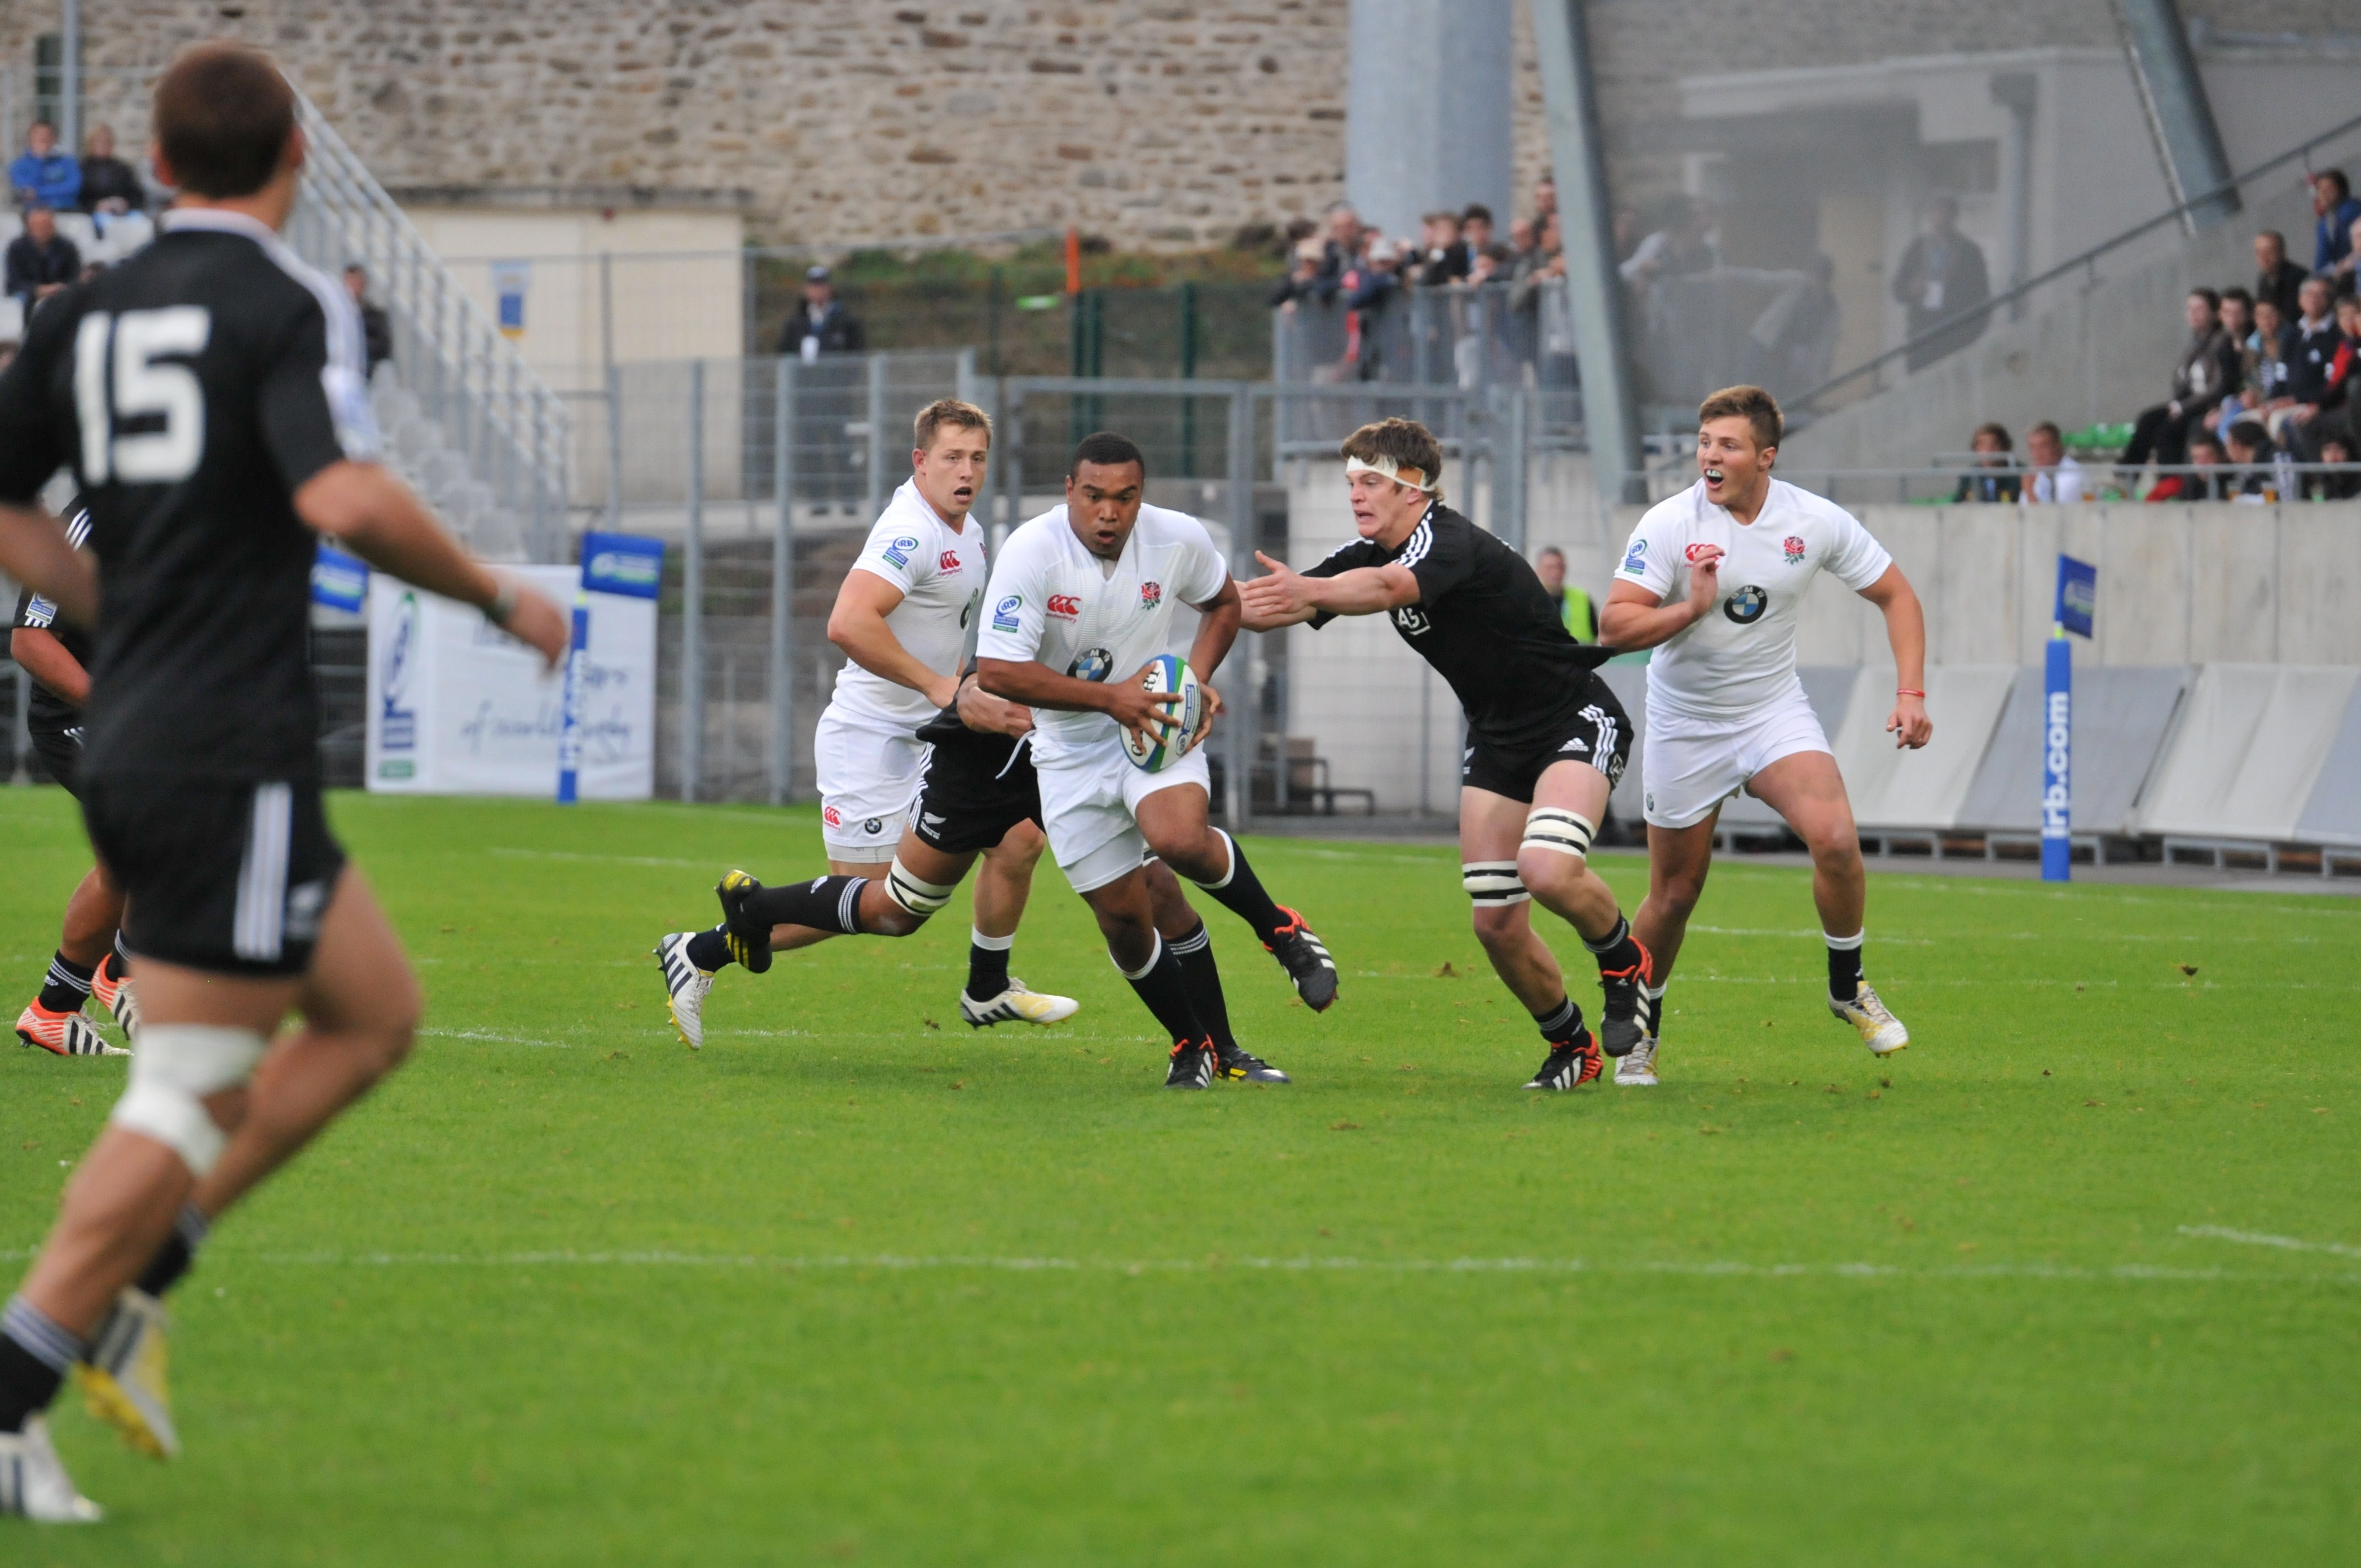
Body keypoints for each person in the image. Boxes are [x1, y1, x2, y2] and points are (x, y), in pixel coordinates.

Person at [0, 42, 570, 1522]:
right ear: (295, 162)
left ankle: (135, 1286)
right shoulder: (288, 299)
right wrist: (498, 596)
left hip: (156, 728)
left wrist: (120, 617)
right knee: (189, 1084)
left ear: (160, 163)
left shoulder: (84, 309)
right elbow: (344, 496)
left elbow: (6, 511)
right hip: (222, 738)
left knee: (373, 1014)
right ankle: (20, 1386)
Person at [1240, 418, 1651, 1092]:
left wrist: (1309, 591)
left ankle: (1621, 959)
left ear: (1414, 488)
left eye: (1370, 481)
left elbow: (1384, 591)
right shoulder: (1367, 550)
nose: (1356, 494)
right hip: (1496, 740)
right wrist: (1192, 595)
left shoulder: (1447, 540)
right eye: (1351, 482)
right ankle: (1570, 1045)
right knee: (1493, 921)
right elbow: (1273, 604)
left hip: (1572, 718)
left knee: (1546, 869)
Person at [654, 400, 1082, 1043]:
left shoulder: (967, 530)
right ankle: (699, 951)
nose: (966, 471)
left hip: (935, 734)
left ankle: (988, 987)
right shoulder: (910, 533)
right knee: (872, 907)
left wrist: (971, 689)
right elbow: (847, 622)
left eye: (976, 458)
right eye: (951, 458)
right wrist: (945, 686)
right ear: (920, 462)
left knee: (1019, 838)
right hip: (872, 740)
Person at [969, 432, 1337, 1088]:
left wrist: (1188, 686)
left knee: (1179, 840)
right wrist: (1110, 700)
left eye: (1125, 497)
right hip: (1067, 754)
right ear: (1069, 493)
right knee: (1125, 920)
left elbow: (1223, 603)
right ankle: (1196, 1045)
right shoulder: (1032, 551)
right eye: (1094, 497)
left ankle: (1280, 929)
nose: (1108, 512)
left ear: (1143, 496)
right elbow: (997, 671)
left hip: (1151, 727)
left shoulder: (1177, 537)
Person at [1600, 385, 1931, 1087]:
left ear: (1765, 457)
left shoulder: (1812, 521)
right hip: (1686, 722)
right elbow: (1615, 626)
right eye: (1704, 443)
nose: (1709, 458)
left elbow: (1896, 594)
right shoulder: (1668, 522)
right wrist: (1689, 607)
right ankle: (1641, 1031)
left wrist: (1910, 693)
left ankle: (1848, 988)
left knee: (1837, 840)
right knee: (1676, 893)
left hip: (1771, 711)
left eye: (1727, 446)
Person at [12, 495, 138, 1058]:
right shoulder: (89, 519)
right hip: (78, 715)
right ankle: (120, 975)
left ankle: (57, 1010)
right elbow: (30, 640)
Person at [2120, 288, 2239, 475]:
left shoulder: (2221, 341)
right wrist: (2177, 403)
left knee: (2166, 432)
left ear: (2214, 313)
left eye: (2199, 309)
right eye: (2189, 309)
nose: (2193, 314)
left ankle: (2171, 482)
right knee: (2147, 419)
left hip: (2206, 405)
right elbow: (2181, 379)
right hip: (2186, 402)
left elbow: (2219, 385)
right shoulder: (2194, 343)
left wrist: (2183, 407)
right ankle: (2126, 475)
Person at [1890, 196, 1990, 371]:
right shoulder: (1917, 248)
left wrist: (1969, 335)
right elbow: (1897, 288)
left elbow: (1982, 298)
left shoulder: (1969, 253)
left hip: (1955, 337)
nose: (1942, 217)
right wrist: (1911, 290)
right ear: (1930, 215)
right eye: (1937, 211)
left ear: (1955, 216)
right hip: (1921, 335)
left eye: (1947, 212)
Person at [776, 263, 864, 360]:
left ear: (830, 288)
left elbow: (857, 352)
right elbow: (785, 351)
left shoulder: (846, 321)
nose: (818, 290)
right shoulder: (795, 321)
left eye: (821, 285)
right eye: (813, 286)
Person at [5, 205, 81, 310]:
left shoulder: (67, 247)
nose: (42, 230)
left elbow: (74, 277)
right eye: (37, 226)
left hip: (61, 294)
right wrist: (37, 290)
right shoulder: (17, 248)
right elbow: (14, 282)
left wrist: (59, 288)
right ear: (28, 227)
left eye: (46, 226)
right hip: (29, 294)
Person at [8, 121, 79, 211]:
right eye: (39, 135)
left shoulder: (67, 162)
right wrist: (40, 160)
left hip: (64, 210)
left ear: (54, 138)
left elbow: (72, 187)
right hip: (33, 214)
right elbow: (26, 191)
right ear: (30, 138)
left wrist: (39, 192)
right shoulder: (19, 165)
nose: (43, 138)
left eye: (47, 135)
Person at [1533, 546, 1598, 641]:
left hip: (1578, 655)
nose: (1556, 573)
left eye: (1560, 567)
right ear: (1538, 570)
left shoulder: (1582, 598)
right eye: (1549, 568)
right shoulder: (1529, 602)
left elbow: (1595, 635)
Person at [76, 126, 143, 215]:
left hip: (123, 212)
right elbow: (79, 197)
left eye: (107, 143)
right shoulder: (83, 168)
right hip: (93, 214)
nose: (104, 146)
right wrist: (96, 206)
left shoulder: (122, 168)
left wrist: (126, 204)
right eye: (100, 143)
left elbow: (137, 194)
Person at [1952, 422, 2021, 503]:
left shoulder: (2018, 475)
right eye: (1982, 445)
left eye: (1994, 445)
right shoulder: (1969, 478)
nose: (1988, 451)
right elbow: (1957, 507)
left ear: (2005, 447)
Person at [2310, 170, 2361, 279]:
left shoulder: (2352, 209)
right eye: (2320, 189)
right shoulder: (2323, 223)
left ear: (2341, 189)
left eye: (2329, 189)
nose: (2323, 193)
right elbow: (2322, 258)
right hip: (2340, 271)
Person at [342, 264, 391, 375]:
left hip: (367, 367)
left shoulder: (375, 315)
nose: (354, 286)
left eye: (357, 282)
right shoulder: (335, 314)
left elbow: (383, 346)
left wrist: (358, 344)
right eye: (351, 282)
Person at [2024, 422, 2086, 504]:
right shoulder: (2036, 474)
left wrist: (2030, 492)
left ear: (2057, 446)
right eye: (2032, 448)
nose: (2037, 454)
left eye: (2043, 446)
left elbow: (2055, 514)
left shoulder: (2072, 475)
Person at [2254, 230, 2307, 323]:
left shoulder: (2299, 277)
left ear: (2282, 252)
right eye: (2259, 252)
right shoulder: (2264, 279)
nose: (2264, 257)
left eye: (2269, 251)